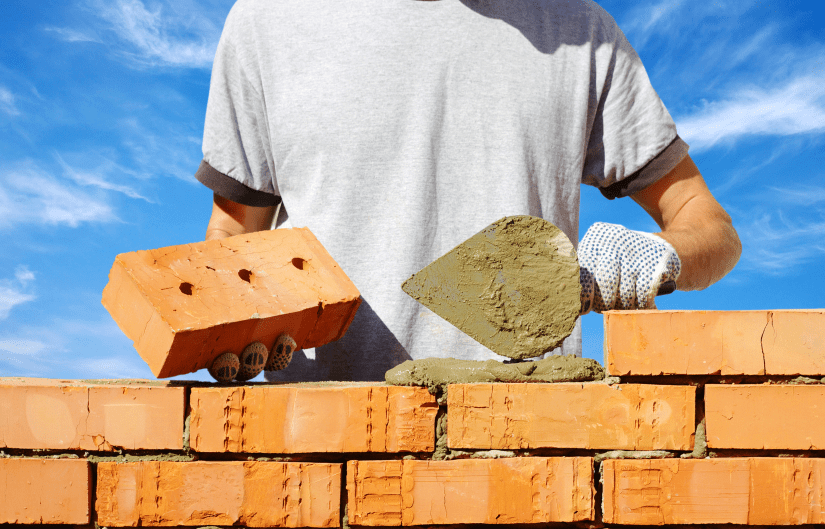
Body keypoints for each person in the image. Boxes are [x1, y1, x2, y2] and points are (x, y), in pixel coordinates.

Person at [197, 0, 741, 382]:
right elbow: (233, 231)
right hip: (319, 453)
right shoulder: (266, 23)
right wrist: (236, 309)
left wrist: (655, 260)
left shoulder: (584, 33)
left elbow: (708, 224)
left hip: (522, 458)